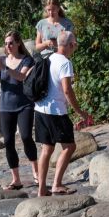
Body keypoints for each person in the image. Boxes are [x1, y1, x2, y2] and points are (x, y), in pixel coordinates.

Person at [34, 31, 91, 197]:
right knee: (69, 146)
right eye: (75, 43)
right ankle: (57, 184)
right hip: (56, 112)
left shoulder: (49, 58)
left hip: (40, 109)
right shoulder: (65, 63)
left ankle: (41, 189)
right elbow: (67, 89)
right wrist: (80, 112)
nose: (76, 46)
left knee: (47, 149)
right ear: (70, 45)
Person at [0, 30, 38, 190]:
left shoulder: (27, 60)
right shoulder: (2, 59)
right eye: (6, 43)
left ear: (18, 43)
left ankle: (36, 173)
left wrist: (5, 68)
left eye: (11, 43)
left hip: (24, 104)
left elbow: (21, 77)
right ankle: (16, 179)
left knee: (26, 137)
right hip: (6, 106)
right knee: (8, 141)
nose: (8, 46)